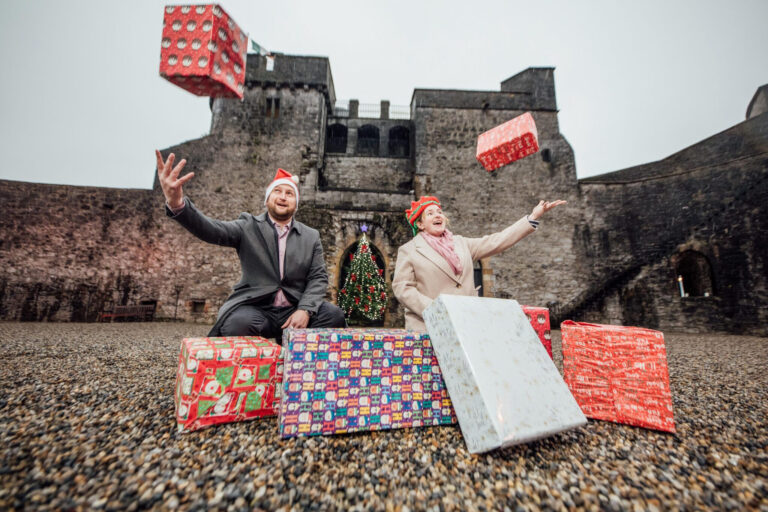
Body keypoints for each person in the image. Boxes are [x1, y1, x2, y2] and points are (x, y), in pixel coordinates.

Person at [155, 150, 345, 339]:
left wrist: (305, 309)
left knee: (334, 316)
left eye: (289, 193)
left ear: (296, 204)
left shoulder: (311, 236)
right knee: (237, 324)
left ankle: (295, 357)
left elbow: (318, 277)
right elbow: (212, 230)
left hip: (295, 307)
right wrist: (177, 203)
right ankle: (258, 365)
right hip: (258, 309)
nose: (283, 197)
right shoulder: (248, 226)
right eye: (277, 191)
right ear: (267, 199)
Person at [392, 195, 566, 331]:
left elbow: (497, 241)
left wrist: (532, 217)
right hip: (430, 325)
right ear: (420, 224)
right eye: (430, 213)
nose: (437, 215)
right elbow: (402, 288)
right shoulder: (409, 250)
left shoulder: (461, 243)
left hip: (465, 321)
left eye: (439, 212)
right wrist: (434, 310)